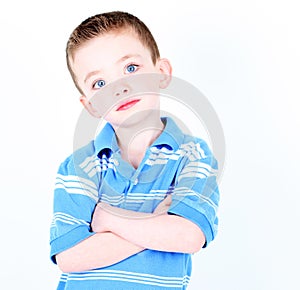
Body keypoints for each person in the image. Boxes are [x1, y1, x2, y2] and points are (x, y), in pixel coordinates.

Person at [50, 11, 220, 290]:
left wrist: (110, 219)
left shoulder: (193, 156)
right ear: (91, 105)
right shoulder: (79, 166)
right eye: (100, 84)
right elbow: (70, 256)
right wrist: (158, 223)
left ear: (162, 73)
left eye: (130, 68)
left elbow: (188, 237)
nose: (119, 88)